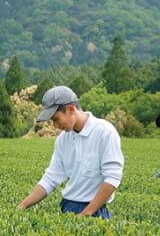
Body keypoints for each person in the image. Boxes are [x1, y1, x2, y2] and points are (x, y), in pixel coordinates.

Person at [16, 86, 124, 219]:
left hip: (95, 210)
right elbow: (51, 178)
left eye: (56, 119)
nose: (55, 126)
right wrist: (21, 207)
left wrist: (85, 215)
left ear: (71, 109)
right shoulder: (63, 139)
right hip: (67, 207)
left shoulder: (105, 132)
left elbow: (113, 178)